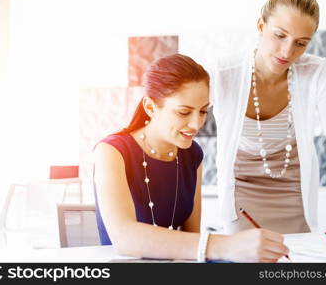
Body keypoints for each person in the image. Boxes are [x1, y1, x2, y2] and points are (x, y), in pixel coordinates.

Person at [209, 0, 326, 253]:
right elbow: (181, 125)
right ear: (261, 25)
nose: (287, 52)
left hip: (293, 194)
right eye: (279, 35)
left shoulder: (316, 71)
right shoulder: (223, 73)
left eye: (301, 43)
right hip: (241, 195)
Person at [93, 53, 290, 262]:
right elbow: (124, 239)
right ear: (151, 107)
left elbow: (192, 240)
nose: (196, 124)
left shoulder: (191, 154)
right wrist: (227, 245)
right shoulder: (111, 151)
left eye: (203, 111)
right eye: (184, 112)